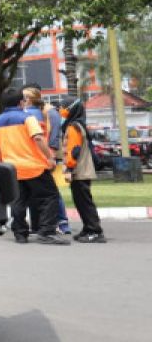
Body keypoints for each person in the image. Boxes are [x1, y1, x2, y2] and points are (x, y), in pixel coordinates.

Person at [0, 87, 66, 244]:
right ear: (21, 102)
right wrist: (50, 157)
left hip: (12, 169)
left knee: (18, 201)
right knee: (49, 197)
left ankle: (20, 233)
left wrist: (1, 167)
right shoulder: (27, 118)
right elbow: (38, 138)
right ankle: (46, 232)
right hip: (34, 166)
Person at [23, 86, 70, 234]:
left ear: (29, 99)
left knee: (51, 191)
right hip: (43, 156)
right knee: (48, 191)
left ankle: (61, 222)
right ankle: (56, 222)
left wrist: (52, 154)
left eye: (23, 97)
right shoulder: (41, 111)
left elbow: (53, 134)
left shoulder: (42, 112)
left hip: (44, 156)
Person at [60, 100, 106, 243]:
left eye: (63, 107)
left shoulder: (73, 127)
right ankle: (88, 228)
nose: (61, 110)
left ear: (71, 109)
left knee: (84, 202)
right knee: (81, 201)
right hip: (82, 169)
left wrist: (69, 168)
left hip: (79, 170)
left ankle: (94, 231)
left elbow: (74, 150)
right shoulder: (78, 124)